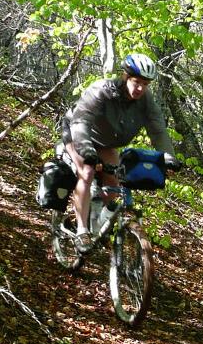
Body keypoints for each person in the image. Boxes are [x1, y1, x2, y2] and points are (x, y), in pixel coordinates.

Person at [61, 53, 179, 252]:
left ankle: (95, 215)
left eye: (146, 84)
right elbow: (81, 122)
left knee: (115, 181)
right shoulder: (101, 91)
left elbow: (157, 129)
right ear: (125, 77)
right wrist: (87, 150)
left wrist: (168, 157)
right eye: (136, 82)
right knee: (87, 172)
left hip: (106, 143)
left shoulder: (145, 100)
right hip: (77, 135)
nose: (140, 88)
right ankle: (81, 230)